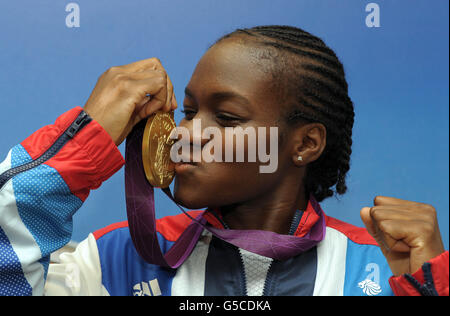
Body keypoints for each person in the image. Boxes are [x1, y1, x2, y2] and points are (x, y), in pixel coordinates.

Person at [0, 25, 447, 296]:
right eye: (190, 112)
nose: (186, 134)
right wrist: (82, 142)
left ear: (305, 144)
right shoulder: (114, 262)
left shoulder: (381, 271)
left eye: (227, 119)